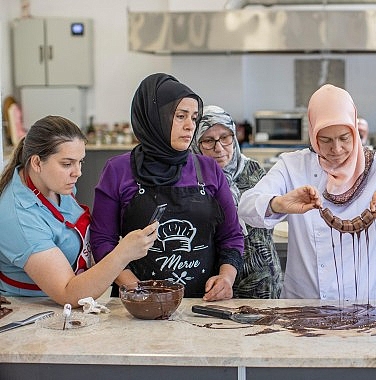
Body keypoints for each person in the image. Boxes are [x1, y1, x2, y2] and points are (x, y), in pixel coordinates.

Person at [238, 84, 376, 301]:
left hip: (368, 305)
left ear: (355, 132)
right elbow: (247, 205)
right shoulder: (292, 167)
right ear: (312, 133)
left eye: (344, 138)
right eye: (325, 140)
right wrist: (278, 204)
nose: (336, 149)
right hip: (305, 305)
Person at [89, 73, 244, 300]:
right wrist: (134, 287)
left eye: (194, 118)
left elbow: (231, 236)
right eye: (180, 116)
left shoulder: (208, 169)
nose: (190, 126)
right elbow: (102, 241)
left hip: (201, 305)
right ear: (155, 117)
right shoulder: (118, 170)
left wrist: (226, 278)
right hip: (137, 304)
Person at [0, 115, 158, 306]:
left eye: (80, 162)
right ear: (36, 163)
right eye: (67, 164)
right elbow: (68, 294)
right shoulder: (18, 217)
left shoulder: (54, 184)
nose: (78, 172)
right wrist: (123, 253)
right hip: (34, 309)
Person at [192, 105, 283, 299]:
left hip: (262, 279)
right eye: (208, 140)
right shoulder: (192, 179)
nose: (219, 148)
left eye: (225, 138)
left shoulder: (254, 170)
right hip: (215, 282)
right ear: (195, 144)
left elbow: (270, 216)